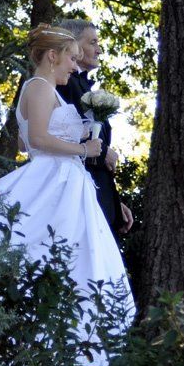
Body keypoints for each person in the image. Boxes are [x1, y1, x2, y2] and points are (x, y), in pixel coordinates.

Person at [0, 23, 135, 366]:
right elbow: (39, 140)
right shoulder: (39, 86)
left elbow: (22, 140)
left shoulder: (45, 90)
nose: (74, 68)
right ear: (52, 56)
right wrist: (83, 147)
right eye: (70, 60)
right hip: (53, 179)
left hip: (65, 180)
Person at [55, 19, 133, 238]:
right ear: (74, 46)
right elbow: (60, 137)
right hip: (78, 195)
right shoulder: (65, 85)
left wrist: (116, 202)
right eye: (93, 43)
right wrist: (102, 154)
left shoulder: (83, 86)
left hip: (98, 191)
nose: (99, 49)